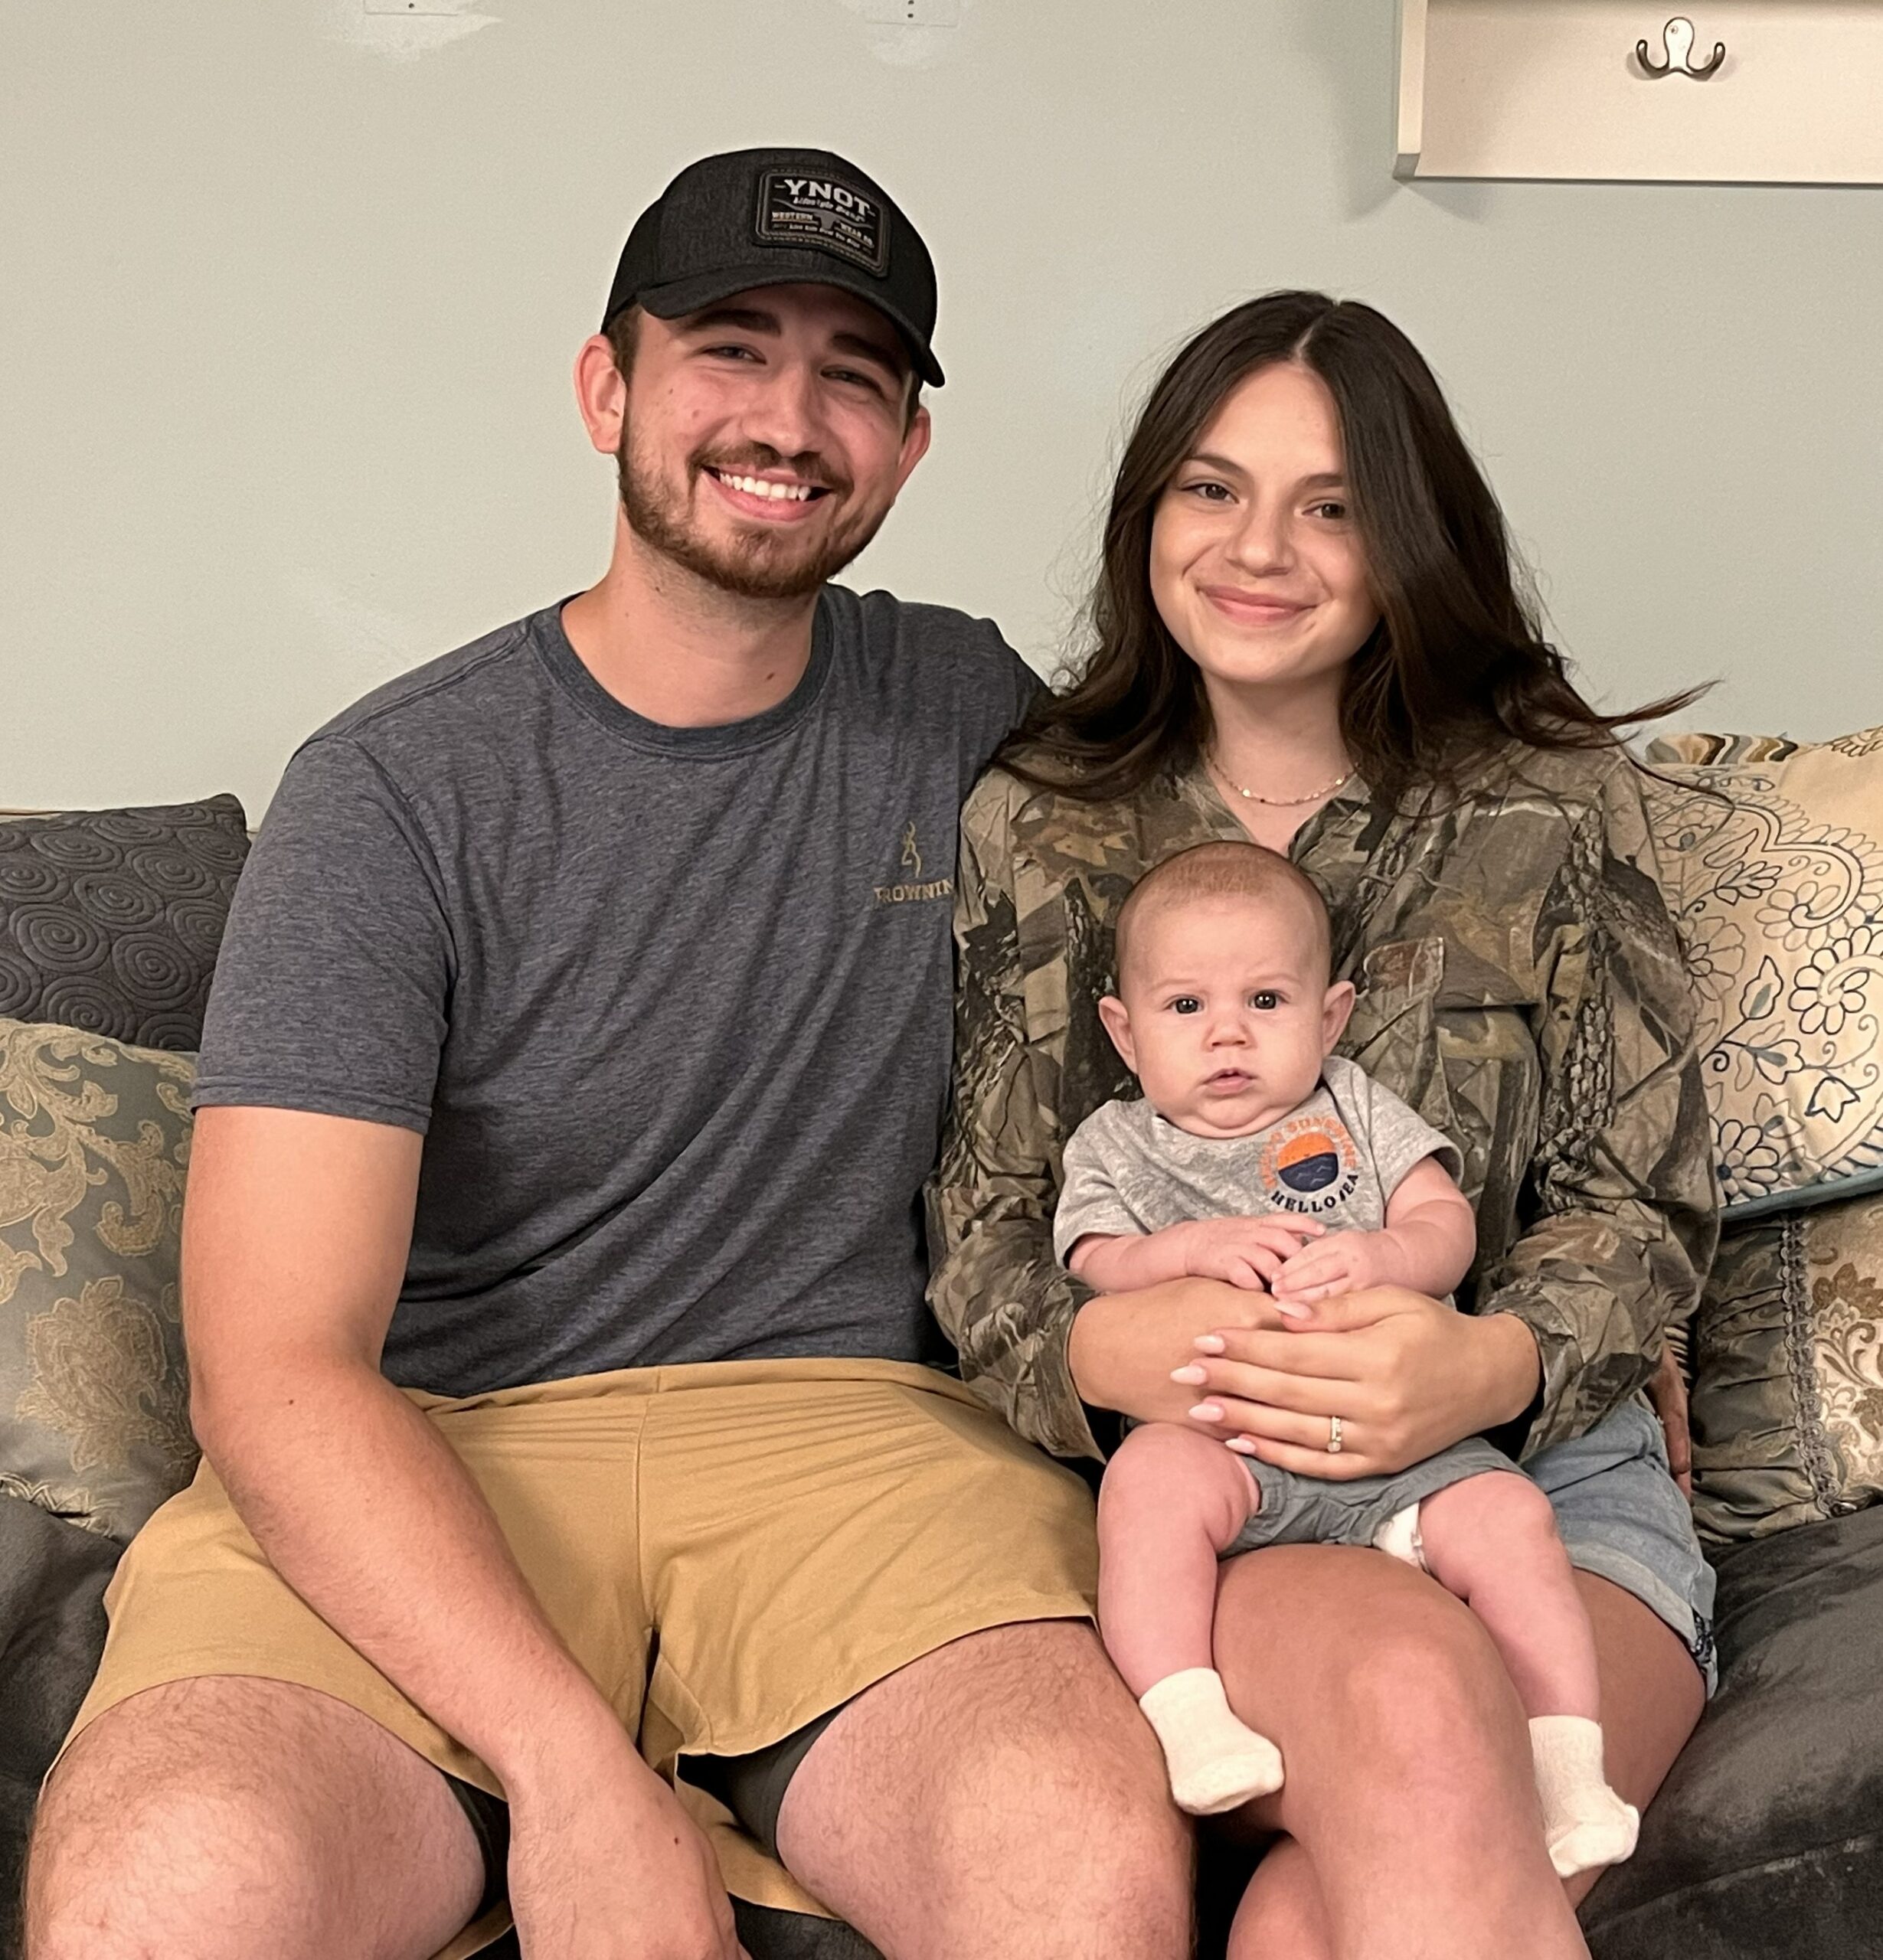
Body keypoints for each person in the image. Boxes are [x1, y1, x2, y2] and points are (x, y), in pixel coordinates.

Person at [24, 149, 1191, 1960]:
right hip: (435, 1443)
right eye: (730, 348)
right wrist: (572, 1772)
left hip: (859, 1446)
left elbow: (1272, 849)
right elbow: (274, 1363)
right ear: (607, 389)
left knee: (1081, 1860)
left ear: (905, 449)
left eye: (853, 376)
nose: (786, 417)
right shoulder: (392, 790)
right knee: (157, 1894)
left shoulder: (966, 710)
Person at [929, 289, 1719, 1958]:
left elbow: (1641, 1200)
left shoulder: (1551, 798)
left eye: (1332, 505)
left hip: (1542, 1486)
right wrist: (1104, 1349)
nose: (1258, 549)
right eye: (1212, 489)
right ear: (1151, 511)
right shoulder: (1042, 818)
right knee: (1415, 1716)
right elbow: (986, 1226)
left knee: (1307, 1921)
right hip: (1222, 1482)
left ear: (1407, 538)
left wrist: (1486, 1364)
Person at [1060, 841, 1640, 1879]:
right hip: (1231, 1450)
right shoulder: (1116, 1146)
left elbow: (1445, 1225)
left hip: (1409, 1447)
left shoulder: (1357, 1107)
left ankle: (1568, 1771)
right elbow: (1093, 1260)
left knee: (1514, 1520)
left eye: (1266, 1001)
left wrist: (1384, 1256)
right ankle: (1191, 1720)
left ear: (1329, 1018)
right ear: (1125, 1031)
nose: (1228, 1033)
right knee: (1146, 1488)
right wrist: (1184, 1252)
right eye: (1186, 1007)